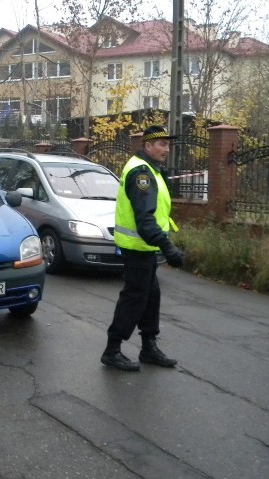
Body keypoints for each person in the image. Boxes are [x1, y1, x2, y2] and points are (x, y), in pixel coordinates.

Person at [100, 125, 185, 372]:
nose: (166, 149)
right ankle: (112, 350)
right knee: (134, 297)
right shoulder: (142, 174)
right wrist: (168, 247)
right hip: (138, 246)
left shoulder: (152, 170)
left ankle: (148, 347)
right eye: (162, 144)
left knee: (151, 296)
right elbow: (145, 219)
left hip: (146, 246)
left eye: (168, 145)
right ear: (148, 146)